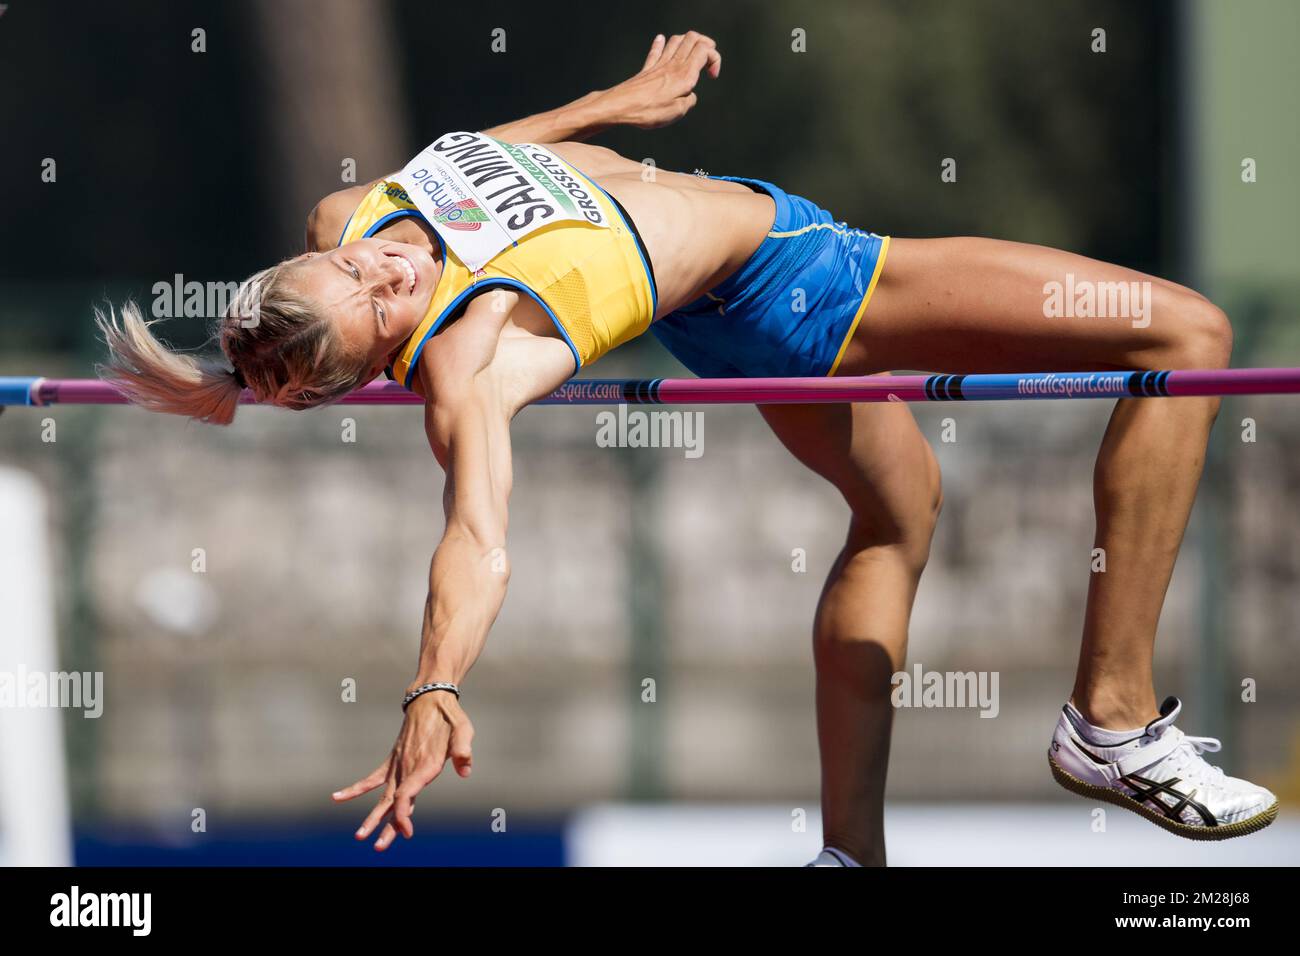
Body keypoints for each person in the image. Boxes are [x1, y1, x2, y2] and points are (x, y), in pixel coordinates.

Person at [98, 32, 1277, 862]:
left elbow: (466, 162)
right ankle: (1111, 721)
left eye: (358, 265)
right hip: (802, 279)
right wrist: (434, 683)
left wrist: (614, 102)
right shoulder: (471, 355)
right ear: (384, 357)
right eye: (379, 298)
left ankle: (849, 860)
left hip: (724, 291)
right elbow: (476, 538)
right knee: (1187, 328)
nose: (388, 265)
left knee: (895, 516)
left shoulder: (348, 222)